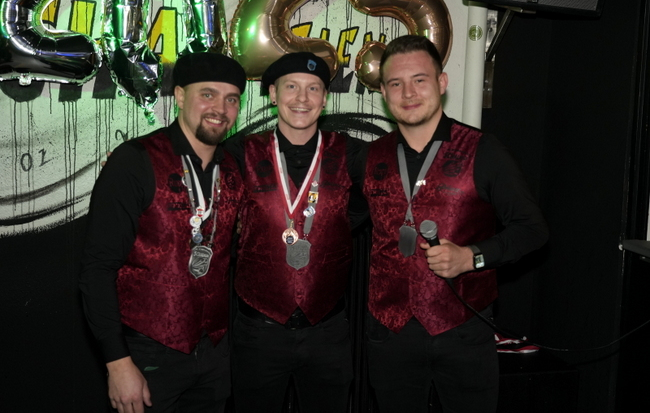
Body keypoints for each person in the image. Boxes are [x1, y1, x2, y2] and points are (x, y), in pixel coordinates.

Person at [362, 35, 549, 413]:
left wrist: (472, 256)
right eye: (396, 83)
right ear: (383, 92)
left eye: (419, 80)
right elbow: (338, 217)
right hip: (389, 333)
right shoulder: (369, 156)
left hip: (463, 330)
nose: (408, 93)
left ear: (442, 82)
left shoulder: (483, 150)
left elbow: (532, 229)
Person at [79, 52, 246, 413]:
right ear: (181, 96)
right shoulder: (135, 160)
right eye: (208, 94)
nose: (220, 108)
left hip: (214, 354)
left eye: (231, 99)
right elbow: (97, 268)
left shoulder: (234, 169)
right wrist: (117, 362)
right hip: (146, 353)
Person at [225, 52, 365, 413]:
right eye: (291, 87)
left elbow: (385, 193)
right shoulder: (240, 152)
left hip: (328, 330)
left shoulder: (350, 152)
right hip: (258, 331)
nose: (302, 98)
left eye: (313, 88)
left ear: (325, 98)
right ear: (273, 94)